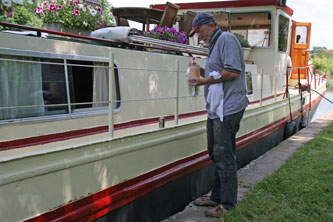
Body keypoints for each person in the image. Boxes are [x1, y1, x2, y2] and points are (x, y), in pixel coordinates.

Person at [188, 12, 249, 217]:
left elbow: (233, 71)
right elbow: (218, 71)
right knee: (214, 152)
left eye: (200, 31)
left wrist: (204, 81)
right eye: (196, 33)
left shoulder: (227, 40)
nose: (199, 36)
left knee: (224, 155)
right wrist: (199, 70)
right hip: (217, 108)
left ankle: (228, 204)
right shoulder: (214, 45)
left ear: (211, 26)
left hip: (229, 107)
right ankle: (216, 195)